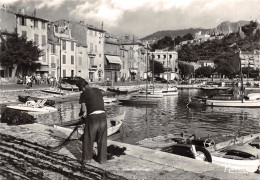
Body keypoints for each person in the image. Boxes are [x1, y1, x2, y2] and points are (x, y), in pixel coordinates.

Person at [76, 79, 107, 165]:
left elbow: (83, 109)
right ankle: (102, 160)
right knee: (102, 140)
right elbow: (97, 103)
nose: (81, 90)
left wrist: (81, 114)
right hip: (103, 116)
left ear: (82, 87)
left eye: (80, 88)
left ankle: (87, 159)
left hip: (93, 118)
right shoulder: (97, 90)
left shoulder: (83, 94)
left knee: (88, 138)